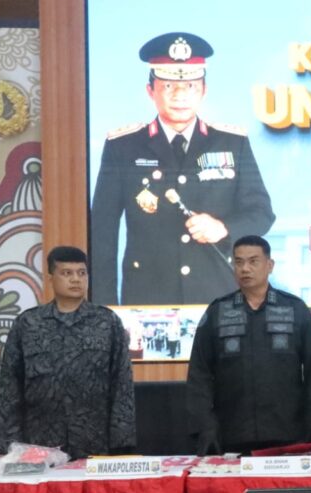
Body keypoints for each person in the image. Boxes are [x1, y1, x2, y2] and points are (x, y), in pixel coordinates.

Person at [91, 31, 275, 306]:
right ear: (150, 91)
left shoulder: (232, 142)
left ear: (204, 91)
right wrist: (104, 309)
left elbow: (261, 213)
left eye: (190, 85)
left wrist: (223, 228)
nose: (180, 95)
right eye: (168, 86)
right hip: (147, 296)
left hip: (218, 294)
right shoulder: (123, 147)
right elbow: (102, 233)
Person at [185, 235, 311, 454]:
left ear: (270, 265)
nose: (245, 269)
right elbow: (199, 375)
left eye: (253, 261)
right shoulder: (218, 311)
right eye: (239, 262)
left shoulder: (295, 309)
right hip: (231, 435)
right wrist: (204, 427)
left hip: (289, 435)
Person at [0, 246, 135, 459]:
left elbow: (122, 385)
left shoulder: (107, 322)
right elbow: (9, 388)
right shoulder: (28, 323)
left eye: (81, 273)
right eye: (67, 273)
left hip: (94, 441)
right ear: (51, 278)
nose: (76, 279)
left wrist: (122, 443)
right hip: (39, 442)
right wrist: (5, 445)